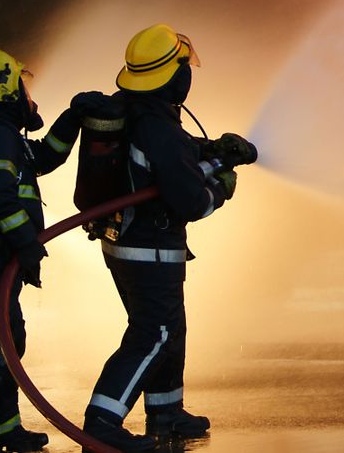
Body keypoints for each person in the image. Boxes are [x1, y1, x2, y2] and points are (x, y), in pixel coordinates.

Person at [83, 24, 251, 451]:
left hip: (127, 240)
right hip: (149, 248)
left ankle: (166, 412)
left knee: (169, 327)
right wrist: (222, 187)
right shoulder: (158, 126)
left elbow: (168, 158)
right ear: (173, 74)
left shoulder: (136, 110)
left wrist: (211, 149)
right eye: (184, 66)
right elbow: (191, 200)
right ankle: (102, 421)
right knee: (154, 331)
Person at [0, 47, 91, 453]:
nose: (27, 93)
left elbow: (41, 158)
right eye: (21, 84)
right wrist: (26, 244)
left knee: (9, 336)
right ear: (6, 88)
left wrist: (73, 118)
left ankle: (2, 425)